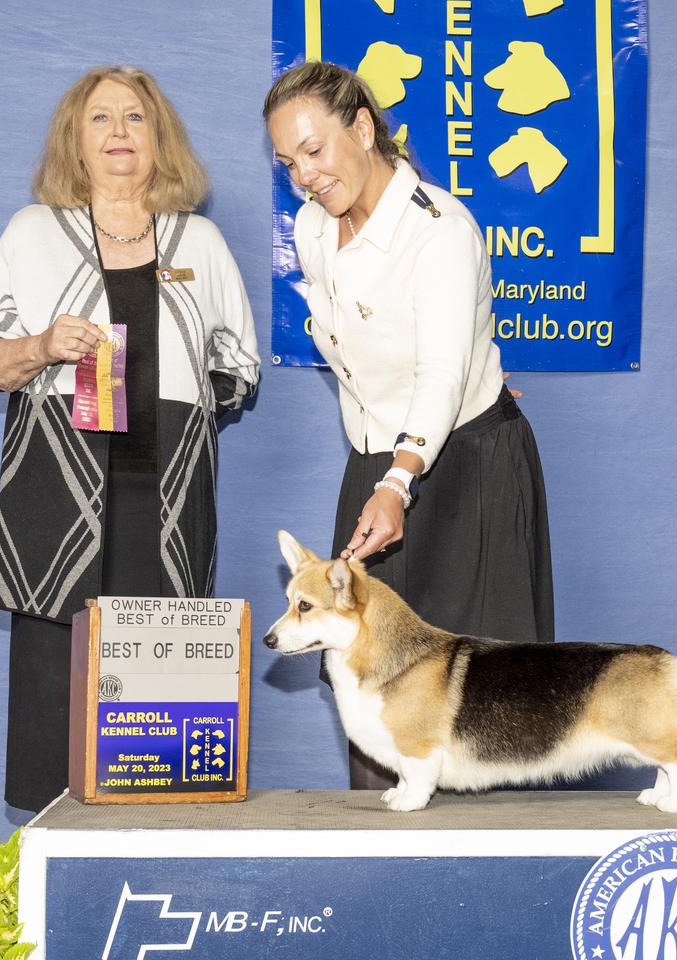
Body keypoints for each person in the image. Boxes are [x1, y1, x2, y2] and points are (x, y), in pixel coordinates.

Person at [0, 66, 259, 812]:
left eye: (135, 118)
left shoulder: (202, 240)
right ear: (76, 140)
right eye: (101, 119)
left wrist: (185, 414)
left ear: (161, 140)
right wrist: (39, 347)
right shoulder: (32, 233)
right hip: (57, 503)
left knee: (165, 716)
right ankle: (56, 867)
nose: (120, 133)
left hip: (168, 508)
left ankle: (157, 858)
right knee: (54, 704)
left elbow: (241, 368)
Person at [264, 61, 553, 788]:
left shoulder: (440, 229)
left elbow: (442, 376)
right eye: (287, 161)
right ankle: (376, 877)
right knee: (366, 678)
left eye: (314, 150)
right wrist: (383, 474)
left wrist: (399, 478)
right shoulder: (310, 227)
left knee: (486, 700)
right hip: (378, 464)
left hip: (464, 471)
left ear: (362, 127)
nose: (303, 175)